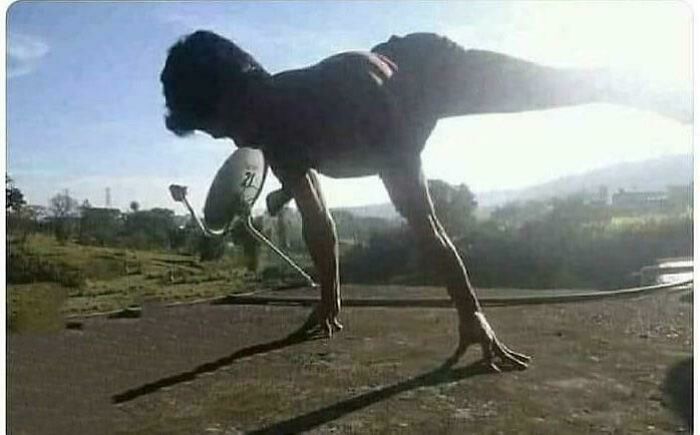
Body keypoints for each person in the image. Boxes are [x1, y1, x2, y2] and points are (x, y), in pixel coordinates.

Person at [161, 30, 689, 371]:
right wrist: (328, 302)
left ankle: (653, 88)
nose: (234, 144)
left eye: (223, 126)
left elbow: (424, 222)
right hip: (375, 102)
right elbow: (318, 224)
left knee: (554, 87)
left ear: (240, 93)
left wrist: (471, 314)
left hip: (426, 74)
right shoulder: (274, 139)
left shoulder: (344, 97)